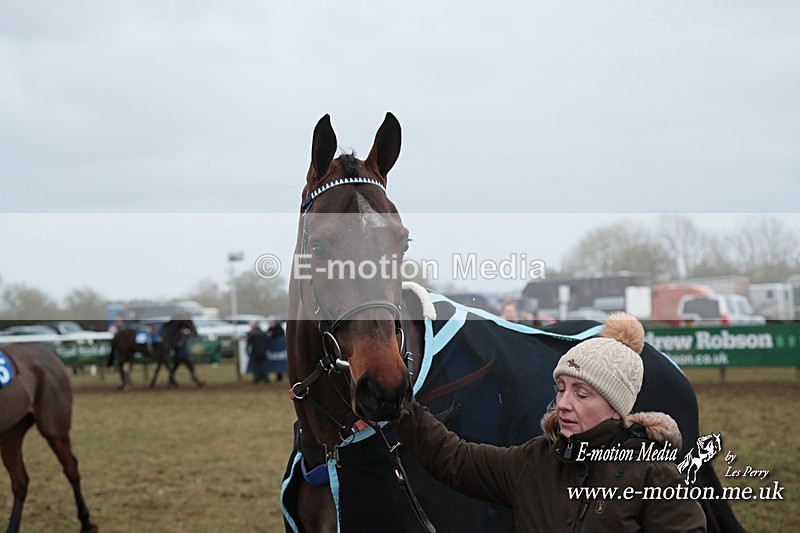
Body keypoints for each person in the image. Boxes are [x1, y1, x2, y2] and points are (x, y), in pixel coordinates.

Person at [397, 313, 706, 532]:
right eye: (561, 389)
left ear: (616, 407)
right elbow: (454, 458)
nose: (563, 404)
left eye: (581, 394)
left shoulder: (656, 475)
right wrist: (399, 401)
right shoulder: (533, 461)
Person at [168, 323, 205, 388]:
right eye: (183, 329)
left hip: (183, 356)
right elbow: (175, 344)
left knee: (189, 368)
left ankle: (197, 381)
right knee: (176, 370)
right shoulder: (178, 336)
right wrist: (178, 344)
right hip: (180, 356)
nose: (184, 330)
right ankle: (171, 382)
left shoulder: (183, 336)